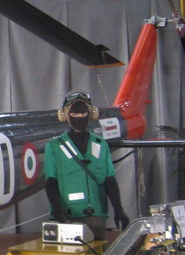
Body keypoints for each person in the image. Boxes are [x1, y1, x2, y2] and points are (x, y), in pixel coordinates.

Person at [44, 89, 129, 241]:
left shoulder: (100, 144)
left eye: (83, 114)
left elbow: (110, 179)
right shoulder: (54, 146)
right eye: (75, 114)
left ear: (92, 114)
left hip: (97, 217)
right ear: (64, 115)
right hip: (68, 216)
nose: (79, 118)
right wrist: (57, 211)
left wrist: (119, 209)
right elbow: (51, 181)